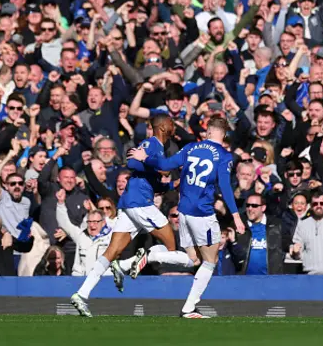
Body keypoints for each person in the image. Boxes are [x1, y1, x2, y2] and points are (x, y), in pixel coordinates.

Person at [70, 114, 195, 317]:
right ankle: (132, 263)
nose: (175, 128)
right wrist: (147, 161)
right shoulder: (152, 144)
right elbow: (133, 164)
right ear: (163, 127)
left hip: (130, 203)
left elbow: (151, 180)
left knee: (112, 252)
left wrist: (172, 184)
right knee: (171, 246)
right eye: (172, 125)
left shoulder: (157, 148)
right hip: (140, 203)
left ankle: (82, 294)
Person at [129, 117, 245, 318]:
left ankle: (152, 256)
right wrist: (236, 216)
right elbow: (225, 187)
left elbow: (165, 163)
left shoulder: (191, 147)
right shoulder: (225, 156)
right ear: (224, 135)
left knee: (193, 259)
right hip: (203, 213)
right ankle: (189, 307)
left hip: (182, 211)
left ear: (208, 131)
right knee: (210, 261)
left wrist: (144, 157)